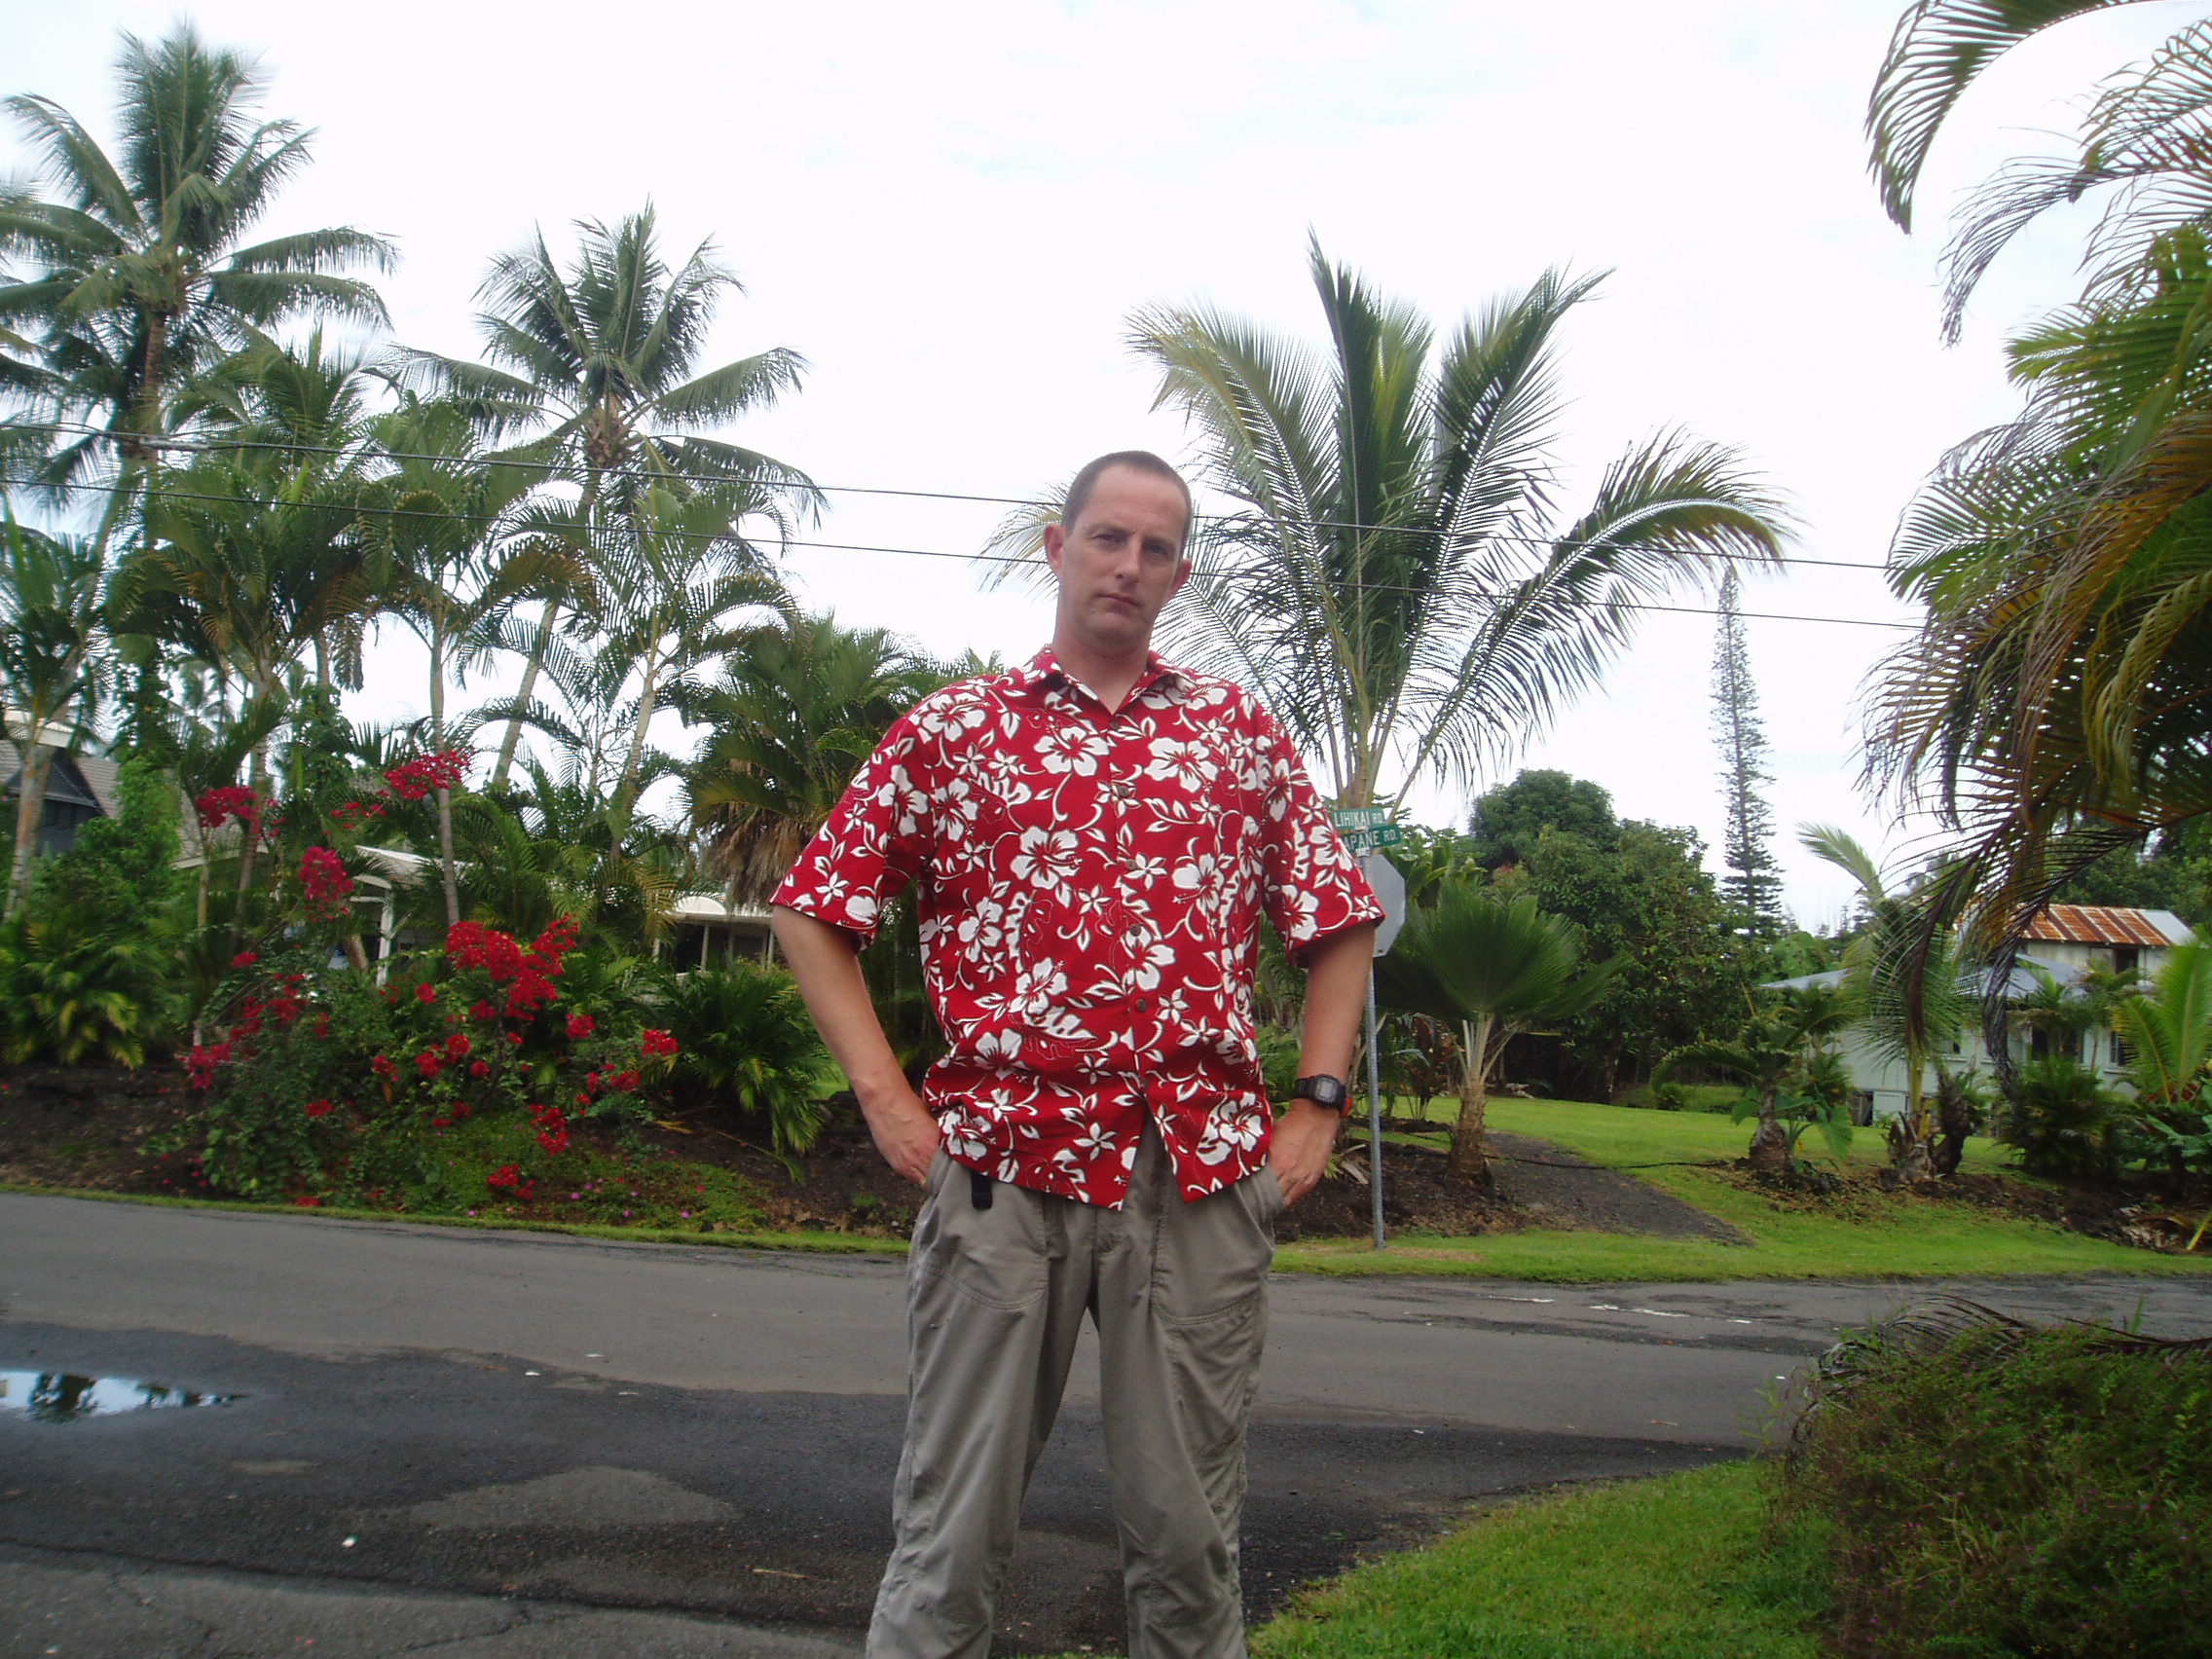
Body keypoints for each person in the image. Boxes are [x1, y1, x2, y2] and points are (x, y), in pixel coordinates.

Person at [771, 450, 1381, 1659]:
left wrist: (1314, 1107)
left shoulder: (1233, 734)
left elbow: (1337, 920)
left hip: (1196, 1176)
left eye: (1156, 549)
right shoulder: (956, 731)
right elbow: (812, 910)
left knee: (1188, 1538)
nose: (1129, 565)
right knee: (950, 1534)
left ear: (1179, 574)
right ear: (1057, 548)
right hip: (1003, 1167)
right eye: (1108, 538)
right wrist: (889, 1103)